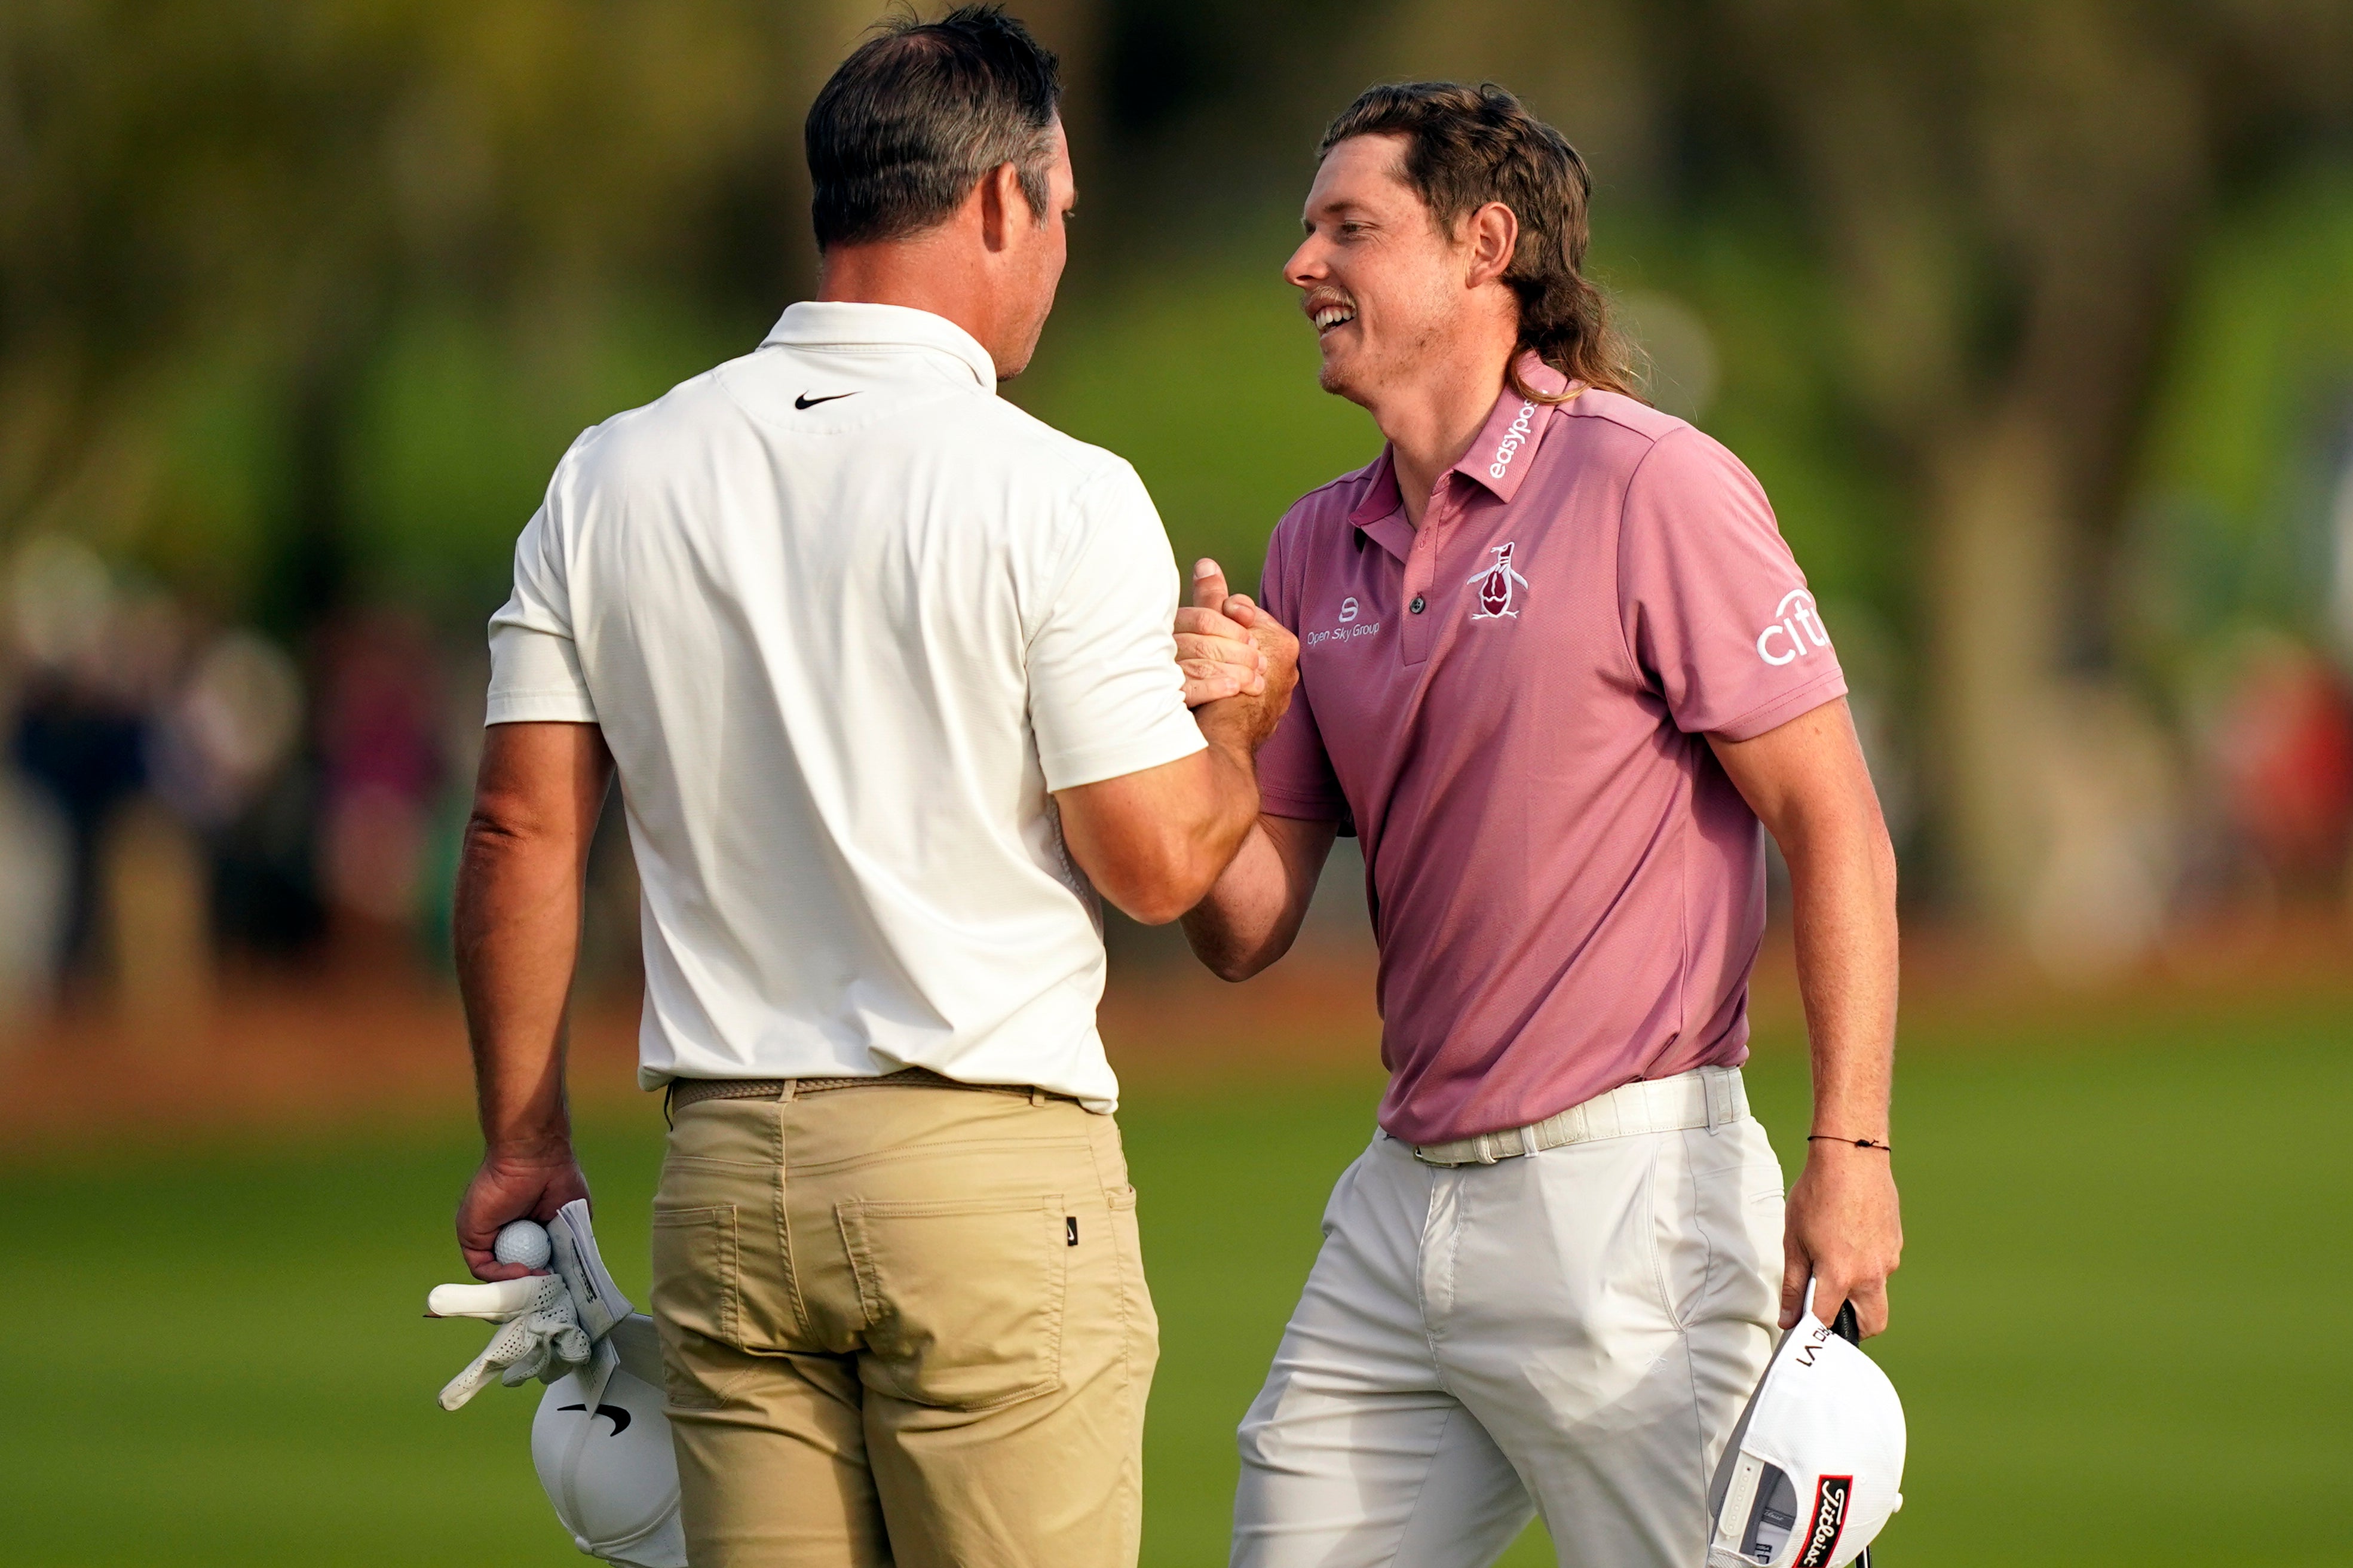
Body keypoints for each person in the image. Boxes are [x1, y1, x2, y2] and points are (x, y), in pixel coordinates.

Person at [449, 10, 1295, 1566]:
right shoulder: (1058, 488)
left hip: (722, 1180)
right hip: (981, 1175)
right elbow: (1161, 866)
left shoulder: (612, 470)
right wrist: (1243, 720)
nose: (1058, 250)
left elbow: (521, 828)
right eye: (1059, 212)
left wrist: (520, 1137)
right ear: (996, 201)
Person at [1175, 81, 1904, 1568]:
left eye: (1348, 229)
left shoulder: (1655, 483)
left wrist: (1852, 1145)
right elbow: (1243, 924)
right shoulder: (1315, 540)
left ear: (1482, 248)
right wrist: (1219, 741)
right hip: (1399, 1198)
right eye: (1307, 228)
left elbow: (1837, 827)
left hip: (1633, 1205)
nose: (1302, 265)